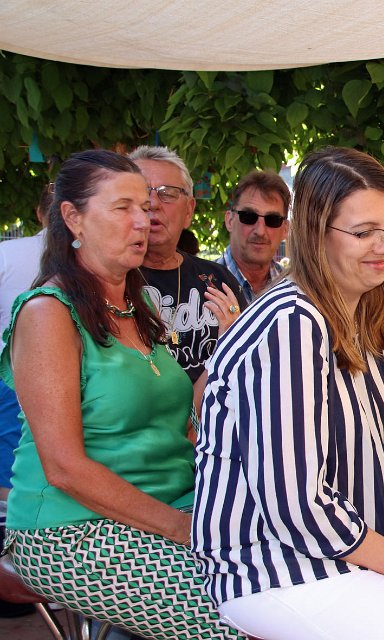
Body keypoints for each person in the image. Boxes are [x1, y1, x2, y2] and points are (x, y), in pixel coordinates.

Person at [192, 147, 384, 640]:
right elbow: (297, 508)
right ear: (317, 234)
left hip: (366, 549)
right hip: (277, 568)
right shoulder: (291, 323)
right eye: (364, 231)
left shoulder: (365, 318)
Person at [0, 150, 240, 639]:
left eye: (146, 206)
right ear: (73, 218)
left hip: (172, 505)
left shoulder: (138, 304)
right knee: (242, 613)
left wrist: (227, 349)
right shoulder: (48, 312)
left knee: (296, 574)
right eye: (123, 207)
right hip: (73, 530)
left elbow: (186, 421)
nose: (143, 220)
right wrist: (183, 528)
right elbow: (64, 468)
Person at [128, 146, 244, 387]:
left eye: (167, 193)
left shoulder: (218, 279)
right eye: (142, 192)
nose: (153, 203)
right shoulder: (109, 281)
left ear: (189, 210)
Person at [0, 184, 52, 504]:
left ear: (38, 213)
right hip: (74, 377)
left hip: (10, 374)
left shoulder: (7, 253)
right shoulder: (94, 259)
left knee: (11, 472)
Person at [217, 170, 290, 304]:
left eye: (272, 220)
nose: (260, 231)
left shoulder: (293, 290)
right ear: (229, 221)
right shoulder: (199, 285)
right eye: (249, 217)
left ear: (285, 229)